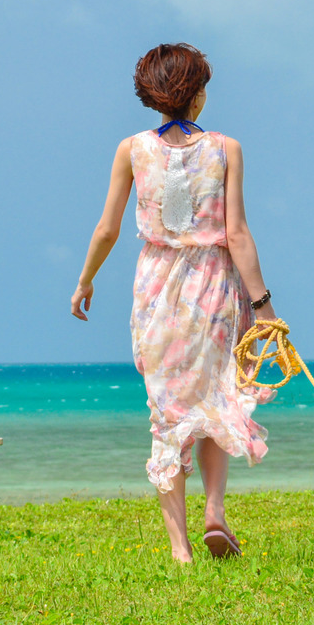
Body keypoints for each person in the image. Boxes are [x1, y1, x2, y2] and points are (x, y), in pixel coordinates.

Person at [70, 43, 278, 563]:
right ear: (199, 93)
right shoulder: (226, 148)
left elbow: (107, 228)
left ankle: (181, 550)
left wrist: (85, 280)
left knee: (169, 412)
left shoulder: (132, 148)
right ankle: (215, 512)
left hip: (158, 288)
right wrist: (265, 305)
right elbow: (237, 233)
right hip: (215, 288)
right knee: (216, 398)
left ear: (154, 95)